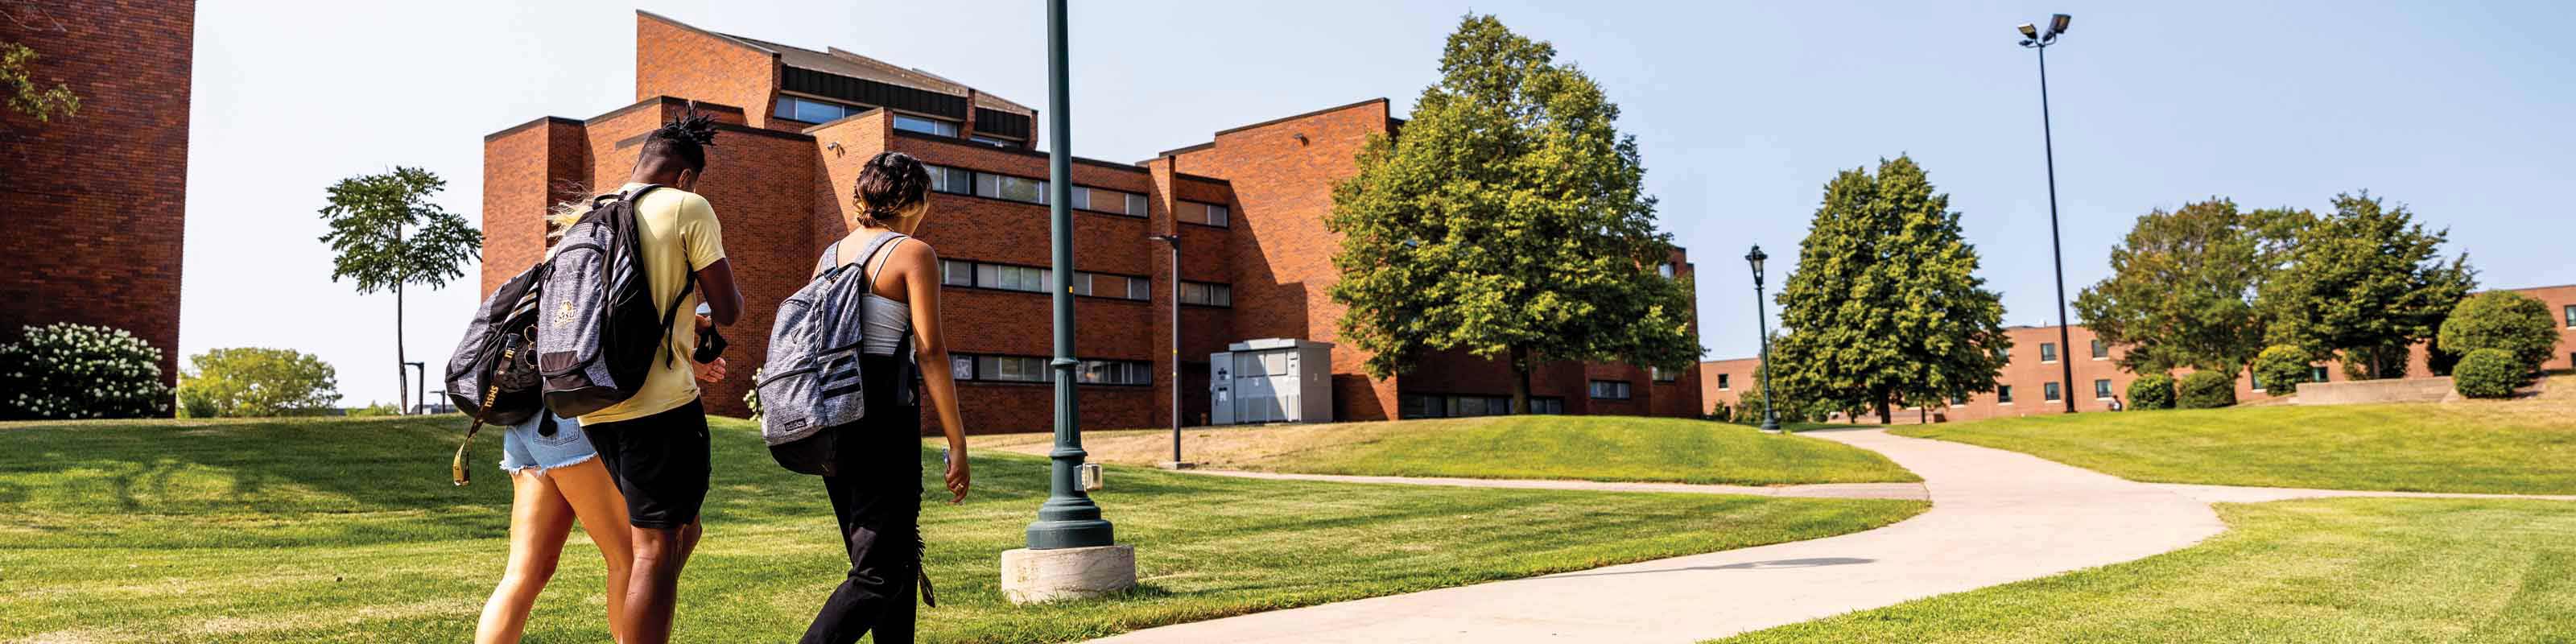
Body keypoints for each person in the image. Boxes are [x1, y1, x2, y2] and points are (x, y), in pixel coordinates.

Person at [577, 113, 744, 644]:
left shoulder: (592, 215)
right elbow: (730, 308)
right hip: (660, 404)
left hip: (594, 404)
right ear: (685, 177)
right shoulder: (688, 206)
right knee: (655, 547)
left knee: (681, 530)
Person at [799, 151, 972, 644]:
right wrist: (956, 442)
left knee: (886, 562)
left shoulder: (829, 256)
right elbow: (931, 352)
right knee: (879, 573)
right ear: (915, 201)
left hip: (830, 420)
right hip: (882, 421)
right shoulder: (913, 254)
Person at [471, 210, 639, 644]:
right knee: (630, 558)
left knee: (525, 573)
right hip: (563, 424)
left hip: (522, 422)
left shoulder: (547, 270)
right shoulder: (591, 269)